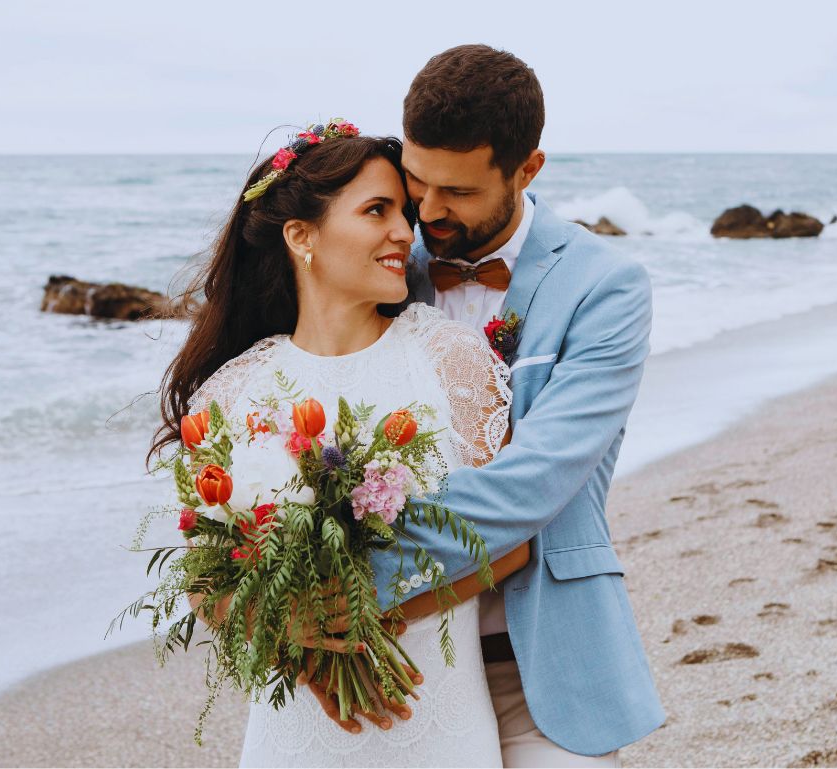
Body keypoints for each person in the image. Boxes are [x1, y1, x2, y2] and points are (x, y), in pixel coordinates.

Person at [304, 45, 666, 767]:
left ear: (527, 169)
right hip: (394, 666)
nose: (428, 211)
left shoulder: (606, 286)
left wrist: (355, 581)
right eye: (416, 179)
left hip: (538, 668)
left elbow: (536, 477)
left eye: (458, 192)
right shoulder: (379, 264)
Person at [152, 127, 519, 766]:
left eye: (404, 214)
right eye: (377, 211)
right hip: (298, 731)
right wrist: (295, 639)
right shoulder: (231, 393)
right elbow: (203, 581)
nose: (406, 233)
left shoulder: (451, 361)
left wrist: (370, 619)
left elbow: (512, 540)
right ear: (302, 237)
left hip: (438, 724)